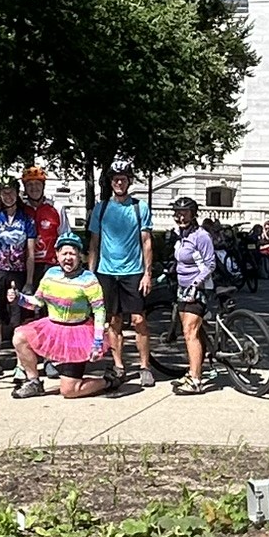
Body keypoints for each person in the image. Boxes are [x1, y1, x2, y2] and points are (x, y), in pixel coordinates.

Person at [12, 231, 111, 399]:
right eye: (64, 253)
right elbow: (38, 302)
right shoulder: (51, 274)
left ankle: (109, 381)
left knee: (69, 391)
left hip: (77, 334)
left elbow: (99, 311)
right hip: (52, 328)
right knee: (19, 336)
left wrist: (98, 341)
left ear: (80, 256)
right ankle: (34, 382)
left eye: (72, 253)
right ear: (57, 255)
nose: (68, 257)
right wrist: (18, 297)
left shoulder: (89, 279)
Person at [88, 162, 156, 385]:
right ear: (110, 182)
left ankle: (145, 366)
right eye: (116, 179)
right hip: (107, 272)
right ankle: (118, 365)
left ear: (129, 182)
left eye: (123, 179)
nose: (119, 182)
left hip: (133, 271)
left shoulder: (139, 207)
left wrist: (147, 273)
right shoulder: (102, 207)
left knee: (139, 320)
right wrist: (90, 274)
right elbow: (94, 243)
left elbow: (146, 241)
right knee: (113, 321)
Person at [0, 176, 36, 371]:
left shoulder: (27, 219)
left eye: (11, 191)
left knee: (18, 317)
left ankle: (20, 362)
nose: (8, 196)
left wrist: (29, 281)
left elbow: (30, 253)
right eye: (4, 192)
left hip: (18, 272)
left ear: (17, 193)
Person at [167, 197, 215, 396]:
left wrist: (196, 285)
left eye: (185, 213)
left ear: (193, 214)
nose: (180, 217)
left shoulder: (201, 236)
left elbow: (210, 264)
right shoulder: (180, 236)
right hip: (182, 287)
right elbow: (182, 261)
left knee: (190, 331)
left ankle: (196, 381)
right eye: (177, 213)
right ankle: (194, 370)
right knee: (192, 333)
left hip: (200, 288)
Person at [20, 166, 64, 285]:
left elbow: (65, 237)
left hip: (50, 265)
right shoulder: (20, 209)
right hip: (24, 266)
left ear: (43, 186)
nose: (34, 188)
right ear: (24, 188)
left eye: (37, 184)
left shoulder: (56, 208)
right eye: (29, 184)